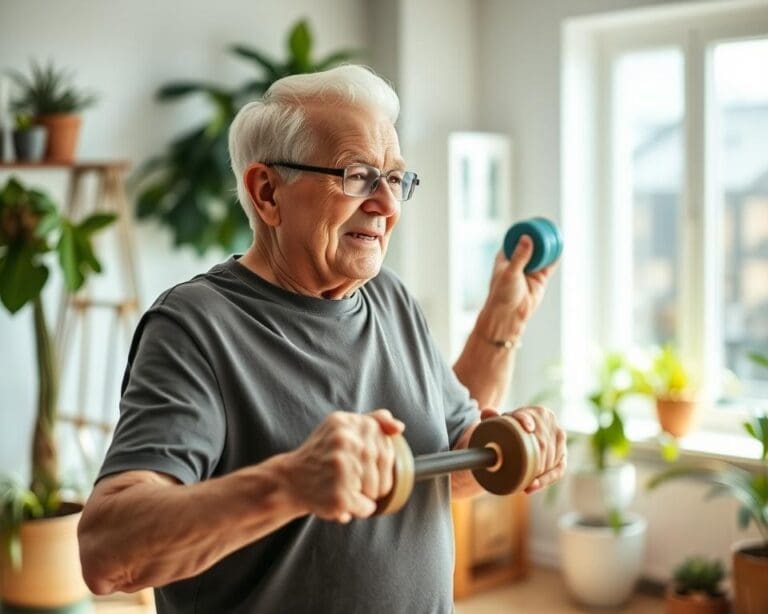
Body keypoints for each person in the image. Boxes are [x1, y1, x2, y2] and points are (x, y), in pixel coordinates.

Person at [78, 65, 566, 613]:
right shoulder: (195, 324)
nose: (386, 204)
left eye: (396, 179)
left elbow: (450, 467)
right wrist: (289, 484)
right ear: (267, 193)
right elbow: (106, 553)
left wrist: (507, 358)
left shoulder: (391, 299)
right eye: (357, 175)